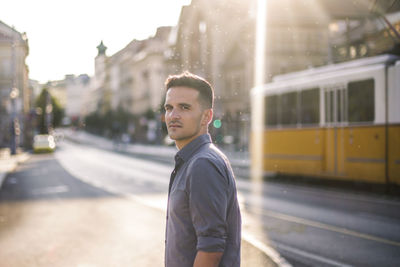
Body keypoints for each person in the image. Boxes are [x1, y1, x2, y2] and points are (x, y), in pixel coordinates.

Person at [163, 72, 241, 267]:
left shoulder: (202, 164)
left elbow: (211, 248)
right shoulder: (193, 160)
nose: (173, 115)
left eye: (184, 107)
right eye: (169, 108)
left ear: (207, 116)